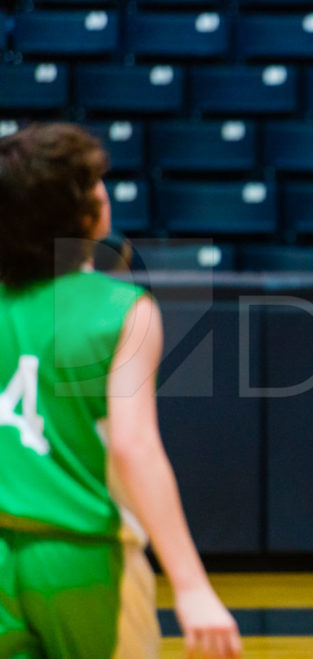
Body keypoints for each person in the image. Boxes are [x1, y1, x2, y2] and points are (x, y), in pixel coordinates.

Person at [0, 123, 241, 658]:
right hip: (83, 557)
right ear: (81, 209)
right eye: (95, 182)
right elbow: (134, 448)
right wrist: (192, 585)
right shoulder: (122, 310)